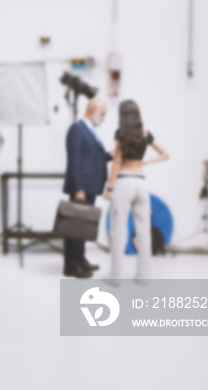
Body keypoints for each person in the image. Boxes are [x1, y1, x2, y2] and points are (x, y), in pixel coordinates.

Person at [103, 99, 169, 283]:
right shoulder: (146, 134)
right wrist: (144, 163)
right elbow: (165, 154)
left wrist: (109, 187)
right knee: (144, 232)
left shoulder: (120, 133)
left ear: (122, 116)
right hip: (141, 183)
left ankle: (115, 276)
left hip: (124, 182)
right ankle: (143, 276)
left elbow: (116, 162)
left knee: (118, 231)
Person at [62, 97, 112, 278]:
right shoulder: (77, 130)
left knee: (82, 226)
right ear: (94, 110)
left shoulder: (89, 131)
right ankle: (71, 265)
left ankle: (80, 260)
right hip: (82, 187)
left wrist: (109, 155)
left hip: (90, 186)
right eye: (103, 114)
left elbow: (92, 159)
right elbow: (74, 161)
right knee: (75, 227)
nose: (104, 118)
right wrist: (78, 188)